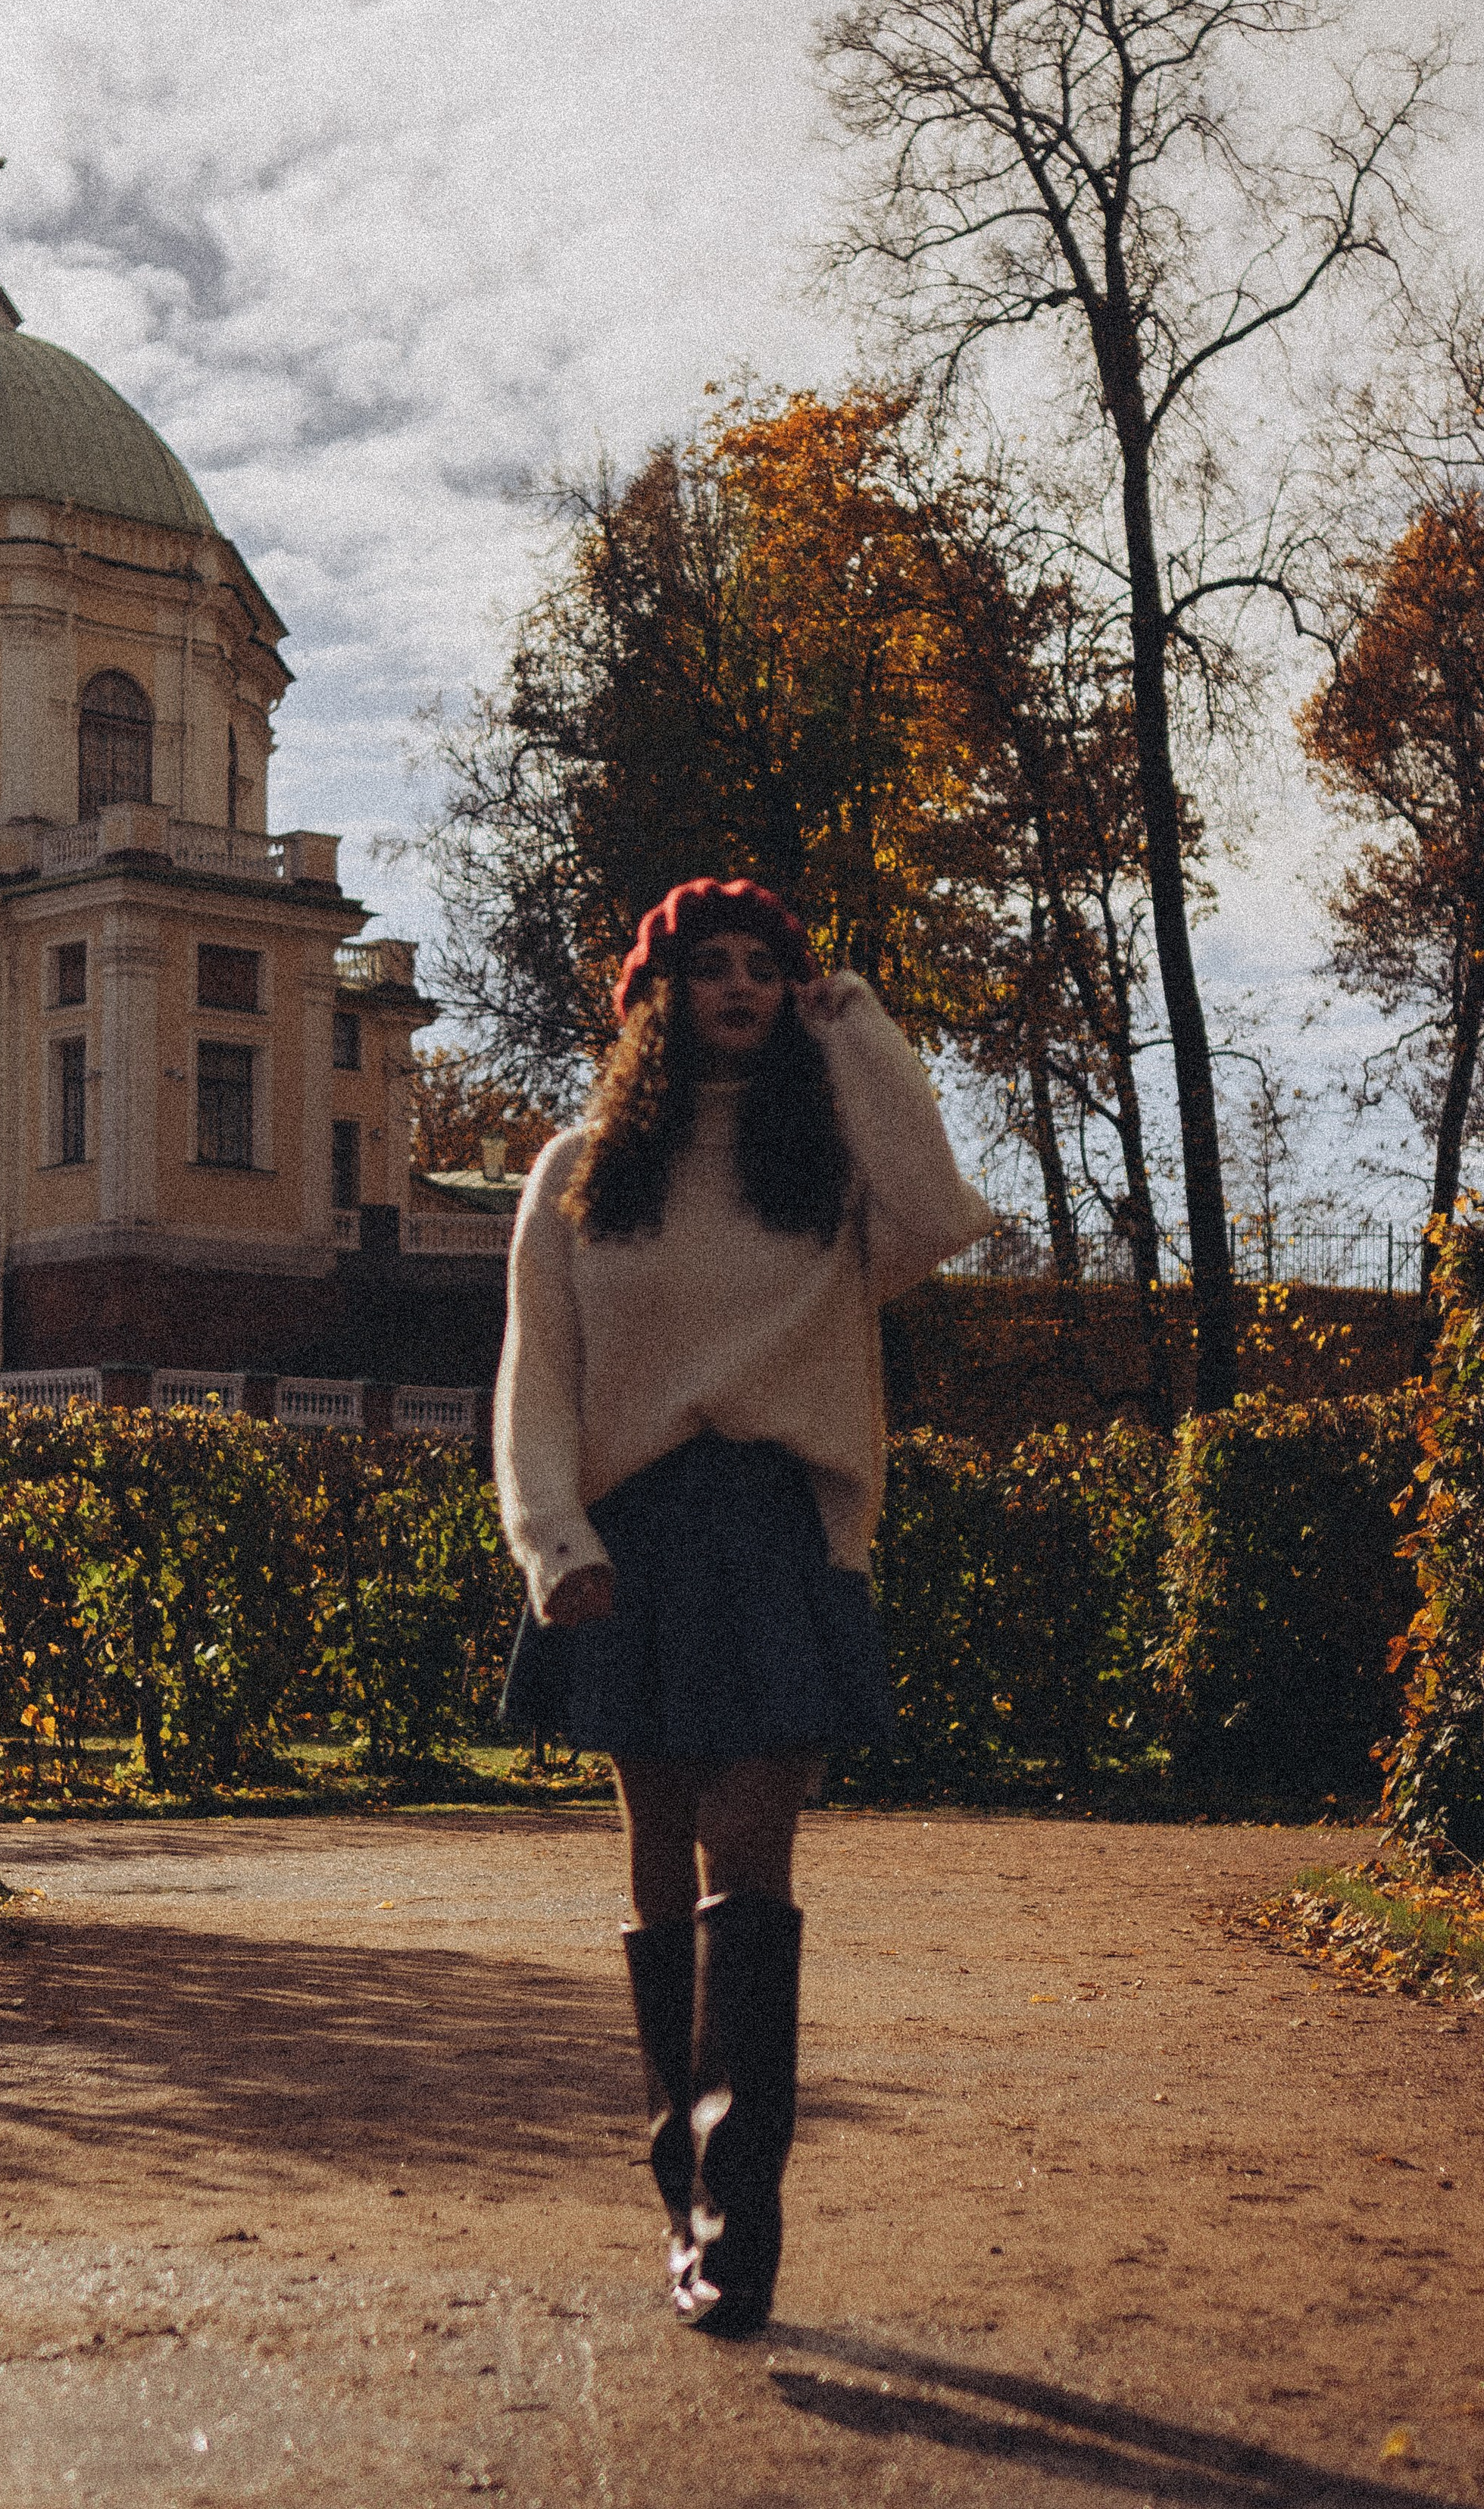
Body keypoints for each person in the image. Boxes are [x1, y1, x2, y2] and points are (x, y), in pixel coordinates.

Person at [493, 878, 992, 2338]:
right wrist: (552, 1540)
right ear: (655, 998)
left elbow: (941, 1211)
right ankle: (683, 2183)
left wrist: (859, 1025)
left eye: (763, 968)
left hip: (776, 1533)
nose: (738, 988)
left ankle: (740, 2212)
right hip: (631, 1539)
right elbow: (537, 1380)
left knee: (752, 1843)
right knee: (660, 1848)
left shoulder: (829, 1174)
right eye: (707, 967)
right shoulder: (580, 1172)